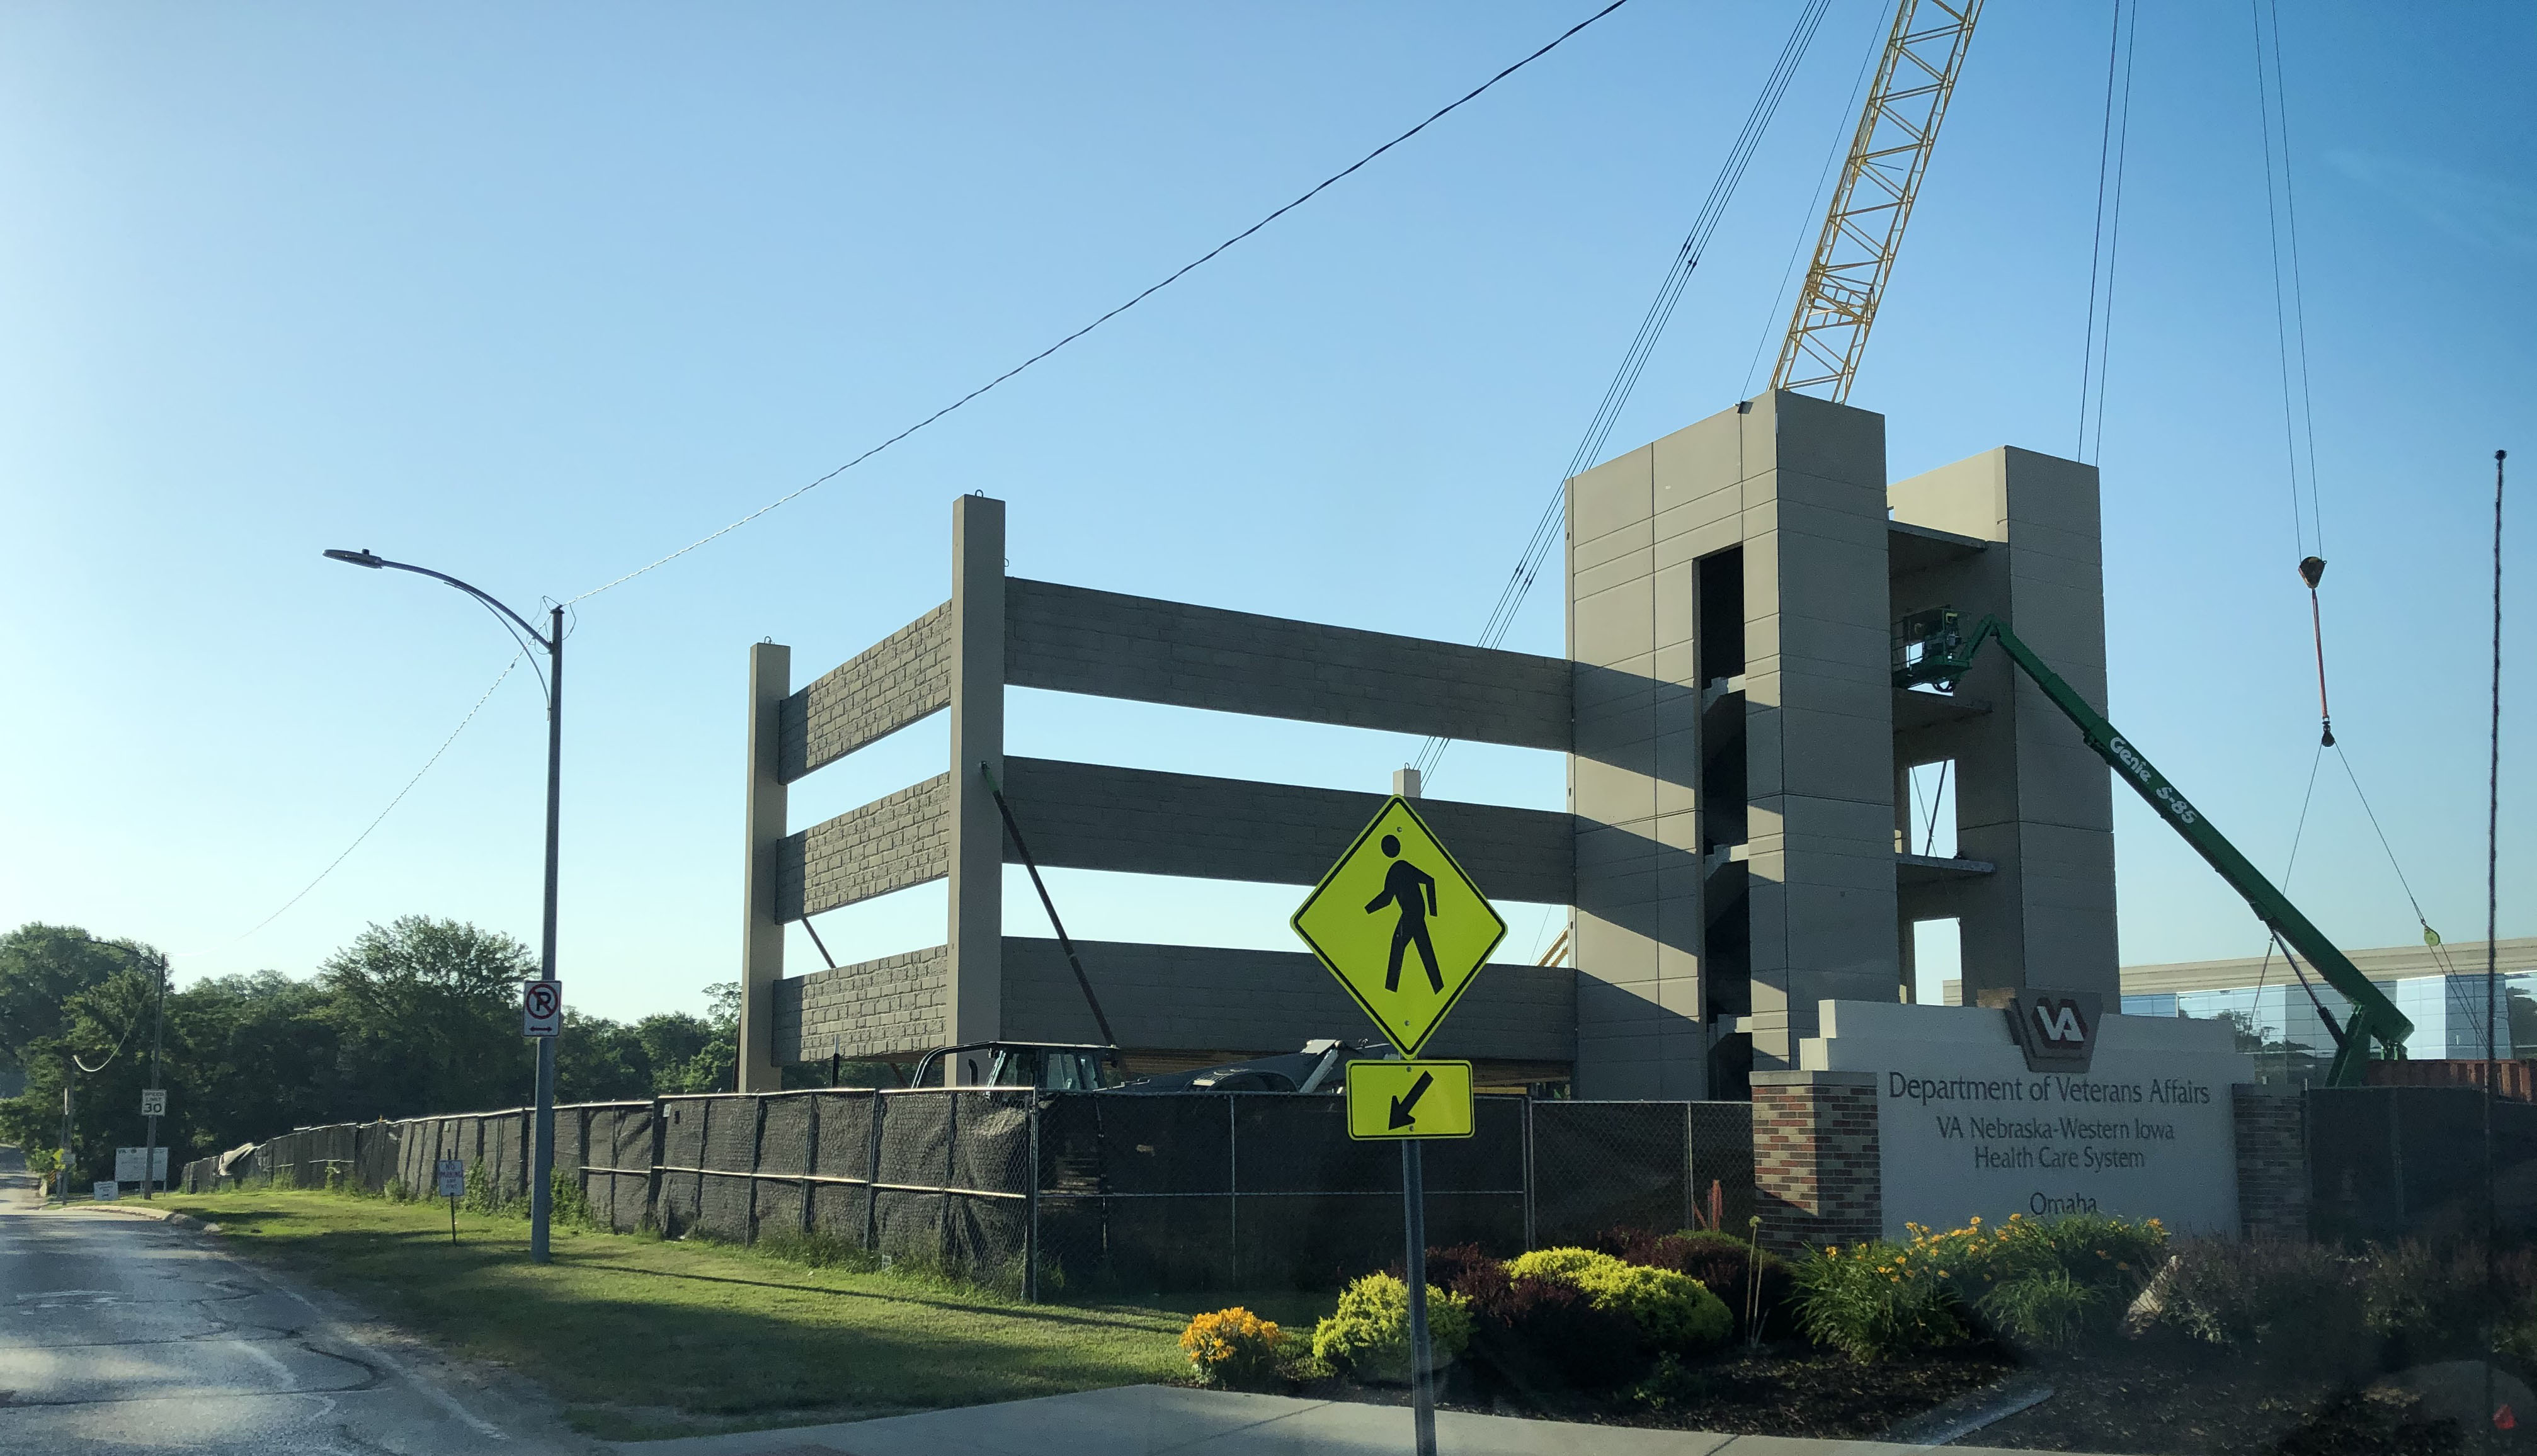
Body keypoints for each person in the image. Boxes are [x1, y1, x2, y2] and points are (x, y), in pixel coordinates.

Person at [1364, 833, 1442, 993]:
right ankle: (1438, 987)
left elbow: (1429, 881)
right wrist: (1367, 910)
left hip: (1412, 913)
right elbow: (1387, 898)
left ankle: (1390, 989)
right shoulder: (1398, 868)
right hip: (1416, 913)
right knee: (1424, 949)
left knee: (1398, 945)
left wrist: (1434, 912)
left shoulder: (1399, 867)